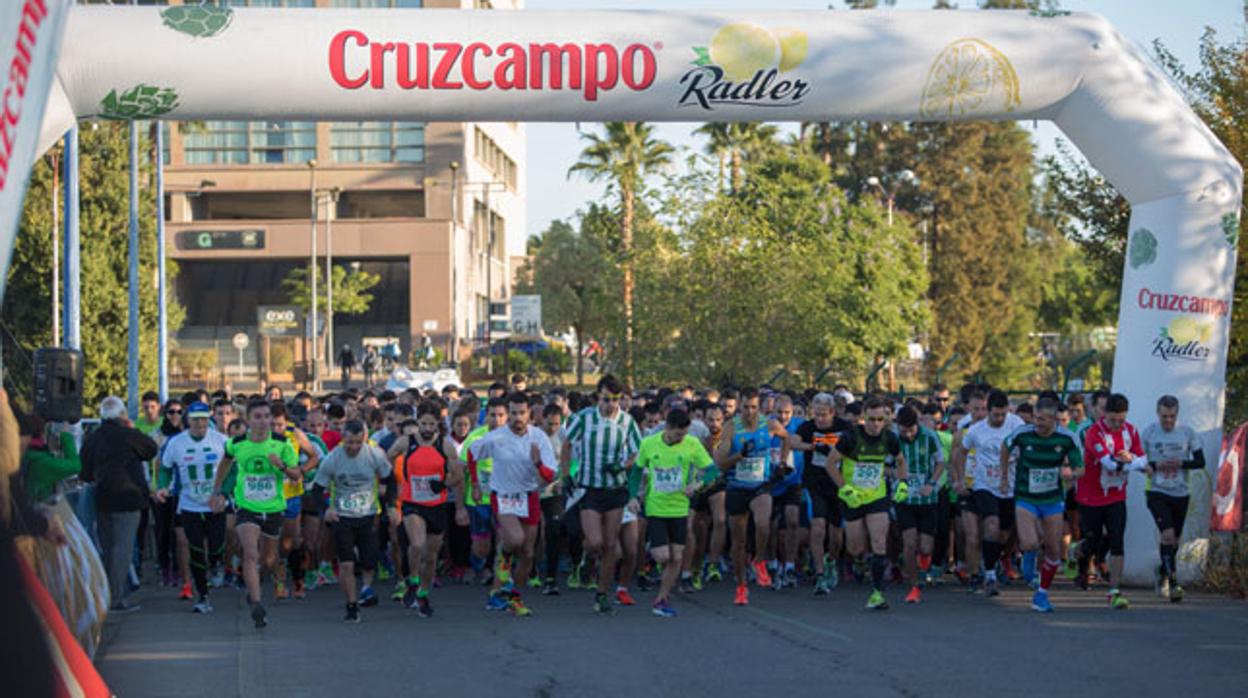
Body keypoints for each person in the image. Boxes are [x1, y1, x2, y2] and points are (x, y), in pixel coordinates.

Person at [210, 400, 300, 629]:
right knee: (250, 553)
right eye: (257, 417)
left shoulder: (282, 443)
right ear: (249, 420)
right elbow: (226, 463)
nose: (262, 421)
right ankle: (257, 603)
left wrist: (281, 466)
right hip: (246, 506)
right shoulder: (237, 443)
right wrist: (218, 490)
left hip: (273, 507)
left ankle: (256, 582)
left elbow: (297, 475)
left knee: (269, 559)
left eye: (266, 416)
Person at [469, 392, 559, 617]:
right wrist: (476, 485)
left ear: (530, 413)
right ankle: (504, 552)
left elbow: (550, 476)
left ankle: (512, 597)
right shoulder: (496, 436)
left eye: (522, 412)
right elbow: (472, 454)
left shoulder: (539, 437)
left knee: (528, 552)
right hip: (503, 495)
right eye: (514, 413)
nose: (518, 417)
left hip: (528, 496)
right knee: (514, 540)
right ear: (508, 414)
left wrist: (538, 462)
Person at [559, 374, 642, 615]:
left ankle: (602, 594)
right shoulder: (584, 418)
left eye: (615, 399)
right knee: (595, 541)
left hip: (615, 489)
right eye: (606, 399)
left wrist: (623, 465)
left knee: (609, 546)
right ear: (598, 397)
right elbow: (567, 444)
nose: (611, 404)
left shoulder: (627, 422)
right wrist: (566, 474)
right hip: (589, 488)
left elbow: (638, 453)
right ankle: (586, 558)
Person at [823, 396, 907, 610]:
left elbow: (900, 460)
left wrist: (903, 483)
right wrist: (845, 488)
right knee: (855, 546)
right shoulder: (850, 438)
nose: (876, 424)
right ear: (864, 418)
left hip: (877, 496)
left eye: (880, 419)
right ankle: (853, 560)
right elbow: (831, 464)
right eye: (872, 419)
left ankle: (877, 593)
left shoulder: (889, 438)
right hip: (853, 497)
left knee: (879, 541)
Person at [1000, 397, 1081, 613]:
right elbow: (1005, 447)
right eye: (1036, 417)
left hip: (1052, 498)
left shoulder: (1067, 438)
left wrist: (1070, 473)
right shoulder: (1023, 433)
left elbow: (1080, 468)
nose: (1038, 423)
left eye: (1043, 419)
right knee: (1029, 542)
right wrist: (1004, 478)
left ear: (1055, 419)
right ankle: (1028, 557)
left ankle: (1042, 594)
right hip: (1026, 496)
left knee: (1054, 549)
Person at [79, 396, 159, 614]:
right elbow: (151, 449)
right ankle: (115, 599)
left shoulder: (94, 438)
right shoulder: (128, 435)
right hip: (129, 496)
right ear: (122, 415)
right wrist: (134, 430)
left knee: (108, 547)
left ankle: (106, 594)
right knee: (122, 549)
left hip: (103, 498)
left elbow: (84, 471)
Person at [632, 409, 712, 617]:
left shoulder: (692, 444)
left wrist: (697, 485)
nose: (681, 438)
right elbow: (636, 471)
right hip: (656, 507)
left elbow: (713, 470)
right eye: (678, 434)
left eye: (684, 434)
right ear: (667, 428)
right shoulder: (649, 443)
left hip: (679, 508)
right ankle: (652, 553)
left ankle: (662, 598)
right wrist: (632, 496)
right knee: (663, 556)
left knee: (676, 557)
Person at [311, 419, 393, 622]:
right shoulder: (332, 459)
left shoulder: (374, 454)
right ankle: (352, 605)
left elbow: (391, 480)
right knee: (346, 564)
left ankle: (366, 587)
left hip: (367, 515)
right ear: (343, 439)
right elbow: (316, 490)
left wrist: (391, 505)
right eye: (350, 443)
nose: (354, 447)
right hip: (342, 516)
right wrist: (325, 511)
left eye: (358, 442)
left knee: (369, 561)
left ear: (365, 438)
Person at [1071, 393, 1146, 609]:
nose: (1117, 424)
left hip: (1116, 495)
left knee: (1117, 540)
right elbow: (1109, 463)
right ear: (1104, 415)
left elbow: (1142, 458)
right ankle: (1074, 551)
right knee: (1092, 543)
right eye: (1113, 420)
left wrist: (1131, 458)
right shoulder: (1094, 433)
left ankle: (1114, 591)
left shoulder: (1131, 431)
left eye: (1121, 420)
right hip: (1090, 495)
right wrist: (1131, 461)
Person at [388, 403, 463, 617]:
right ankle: (412, 578)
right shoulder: (406, 442)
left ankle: (423, 593)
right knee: (417, 543)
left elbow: (458, 476)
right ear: (417, 422)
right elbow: (385, 463)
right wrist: (392, 490)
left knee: (431, 557)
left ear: (438, 424)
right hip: (413, 503)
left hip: (437, 505)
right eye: (423, 423)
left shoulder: (445, 446)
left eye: (432, 423)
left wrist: (443, 484)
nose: (428, 428)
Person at [715, 387, 788, 607]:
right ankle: (741, 586)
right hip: (737, 487)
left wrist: (783, 462)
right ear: (739, 405)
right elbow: (720, 462)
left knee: (763, 524)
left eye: (754, 407)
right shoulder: (731, 428)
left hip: (760, 486)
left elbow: (788, 438)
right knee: (738, 543)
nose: (750, 412)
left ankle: (758, 560)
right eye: (746, 407)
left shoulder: (769, 424)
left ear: (761, 406)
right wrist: (739, 455)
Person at [157, 402, 228, 614]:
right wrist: (163, 487)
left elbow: (234, 469)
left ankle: (216, 563)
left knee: (216, 545)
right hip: (189, 505)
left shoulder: (222, 441)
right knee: (195, 550)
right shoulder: (176, 443)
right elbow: (165, 469)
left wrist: (223, 493)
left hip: (215, 504)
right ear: (188, 420)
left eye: (204, 419)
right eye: (195, 419)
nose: (200, 423)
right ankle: (203, 595)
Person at [952, 389, 1023, 596]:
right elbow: (959, 453)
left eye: (1003, 414)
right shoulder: (976, 430)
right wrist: (960, 480)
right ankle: (989, 575)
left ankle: (993, 559)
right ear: (989, 411)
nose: (999, 419)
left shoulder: (1017, 424)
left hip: (1010, 487)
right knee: (990, 526)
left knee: (1003, 534)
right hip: (985, 486)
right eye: (995, 415)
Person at [1141, 395, 1204, 603]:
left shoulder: (1187, 432)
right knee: (1167, 535)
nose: (1168, 421)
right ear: (1157, 414)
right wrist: (1154, 465)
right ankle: (1174, 582)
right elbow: (1140, 463)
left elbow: (1200, 462)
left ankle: (1163, 572)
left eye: (1172, 416)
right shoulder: (1149, 433)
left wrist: (1180, 464)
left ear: (1177, 414)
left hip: (1180, 492)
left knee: (1175, 540)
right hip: (1156, 491)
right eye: (1164, 416)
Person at [791, 392, 852, 595]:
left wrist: (836, 451)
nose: (819, 419)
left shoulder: (843, 427)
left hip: (838, 485)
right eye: (816, 414)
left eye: (824, 414)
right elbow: (792, 442)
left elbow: (856, 446)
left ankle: (831, 562)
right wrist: (812, 446)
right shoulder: (808, 427)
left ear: (832, 412)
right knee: (818, 528)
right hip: (815, 484)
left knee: (836, 537)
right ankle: (819, 575)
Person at [895, 405, 945, 604]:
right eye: (903, 430)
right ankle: (914, 585)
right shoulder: (893, 439)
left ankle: (919, 566)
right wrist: (899, 477)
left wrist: (931, 483)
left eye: (911, 430)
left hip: (927, 499)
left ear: (917, 425)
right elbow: (887, 465)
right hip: (904, 499)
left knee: (925, 547)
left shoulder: (930, 437)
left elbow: (941, 463)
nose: (907, 434)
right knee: (909, 542)